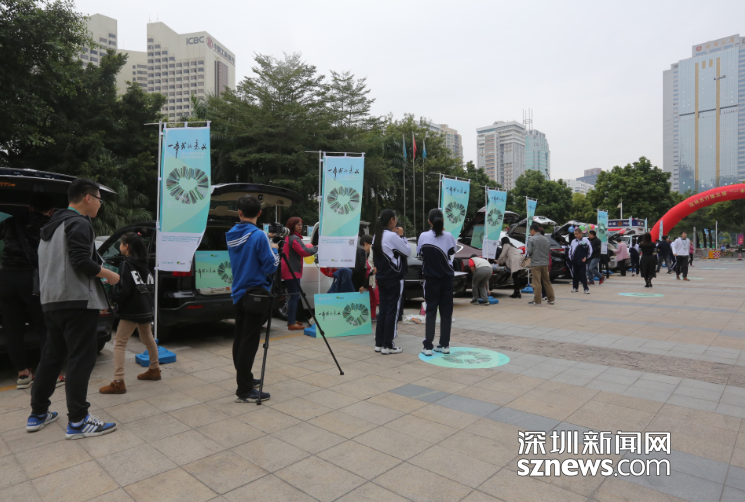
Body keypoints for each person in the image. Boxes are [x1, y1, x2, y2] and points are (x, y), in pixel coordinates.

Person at [27, 179, 120, 439]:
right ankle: (78, 421)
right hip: (77, 301)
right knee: (81, 359)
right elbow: (81, 261)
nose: (100, 205)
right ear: (88, 198)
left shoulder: (50, 227)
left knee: (52, 358)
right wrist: (110, 275)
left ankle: (38, 413)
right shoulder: (79, 223)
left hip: (52, 302)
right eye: (100, 199)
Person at [0, 194, 65, 390]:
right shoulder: (50, 225)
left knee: (12, 328)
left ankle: (22, 374)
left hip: (7, 279)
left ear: (29, 207)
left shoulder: (11, 222)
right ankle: (48, 373)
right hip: (34, 280)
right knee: (44, 326)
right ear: (51, 211)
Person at [226, 195, 278, 403]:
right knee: (249, 342)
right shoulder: (259, 236)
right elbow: (270, 266)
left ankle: (245, 378)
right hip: (256, 294)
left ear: (239, 212)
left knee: (240, 338)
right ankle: (244, 390)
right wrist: (276, 253)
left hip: (238, 292)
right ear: (259, 213)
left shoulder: (231, 234)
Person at [99, 233, 159, 394]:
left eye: (121, 244)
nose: (119, 246)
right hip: (145, 307)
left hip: (132, 309)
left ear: (126, 247)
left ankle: (118, 381)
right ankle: (155, 369)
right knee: (148, 339)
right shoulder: (144, 263)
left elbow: (125, 290)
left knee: (119, 343)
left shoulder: (126, 263)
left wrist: (113, 302)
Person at [417, 208, 456, 356]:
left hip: (431, 280)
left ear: (429, 221)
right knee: (446, 313)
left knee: (431, 312)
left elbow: (420, 253)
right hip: (446, 279)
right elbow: (452, 252)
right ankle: (444, 345)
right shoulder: (449, 236)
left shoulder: (423, 236)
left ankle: (428, 347)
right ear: (443, 220)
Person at [372, 209, 411, 354]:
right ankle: (388, 345)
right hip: (394, 278)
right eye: (396, 219)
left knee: (383, 311)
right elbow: (407, 251)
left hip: (382, 278)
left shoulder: (376, 236)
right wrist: (401, 236)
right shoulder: (392, 236)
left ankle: (379, 343)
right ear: (392, 220)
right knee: (392, 312)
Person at [281, 217, 317, 331]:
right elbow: (304, 251)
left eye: (301, 224)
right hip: (292, 271)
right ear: (292, 225)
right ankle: (291, 323)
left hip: (289, 270)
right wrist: (316, 248)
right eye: (298, 224)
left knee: (293, 296)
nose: (301, 226)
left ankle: (291, 319)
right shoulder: (294, 238)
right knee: (295, 296)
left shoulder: (289, 237)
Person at [525, 223, 555, 305]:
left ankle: (537, 301)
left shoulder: (531, 239)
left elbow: (529, 251)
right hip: (545, 263)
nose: (530, 233)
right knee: (547, 281)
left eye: (530, 231)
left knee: (536, 282)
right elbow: (548, 250)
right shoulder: (546, 239)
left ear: (533, 230)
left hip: (536, 263)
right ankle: (551, 299)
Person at [359, 234, 378, 320]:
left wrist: (364, 285)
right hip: (372, 281)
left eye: (363, 246)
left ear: (366, 244)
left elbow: (372, 271)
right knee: (373, 299)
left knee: (378, 299)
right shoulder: (371, 253)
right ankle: (373, 316)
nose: (363, 248)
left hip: (375, 281)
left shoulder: (373, 253)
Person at [569, 227, 591, 294]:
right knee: (575, 275)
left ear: (581, 233)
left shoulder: (586, 241)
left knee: (583, 275)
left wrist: (586, 257)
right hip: (575, 261)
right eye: (575, 234)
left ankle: (586, 289)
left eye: (577, 234)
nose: (575, 235)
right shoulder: (573, 241)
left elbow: (590, 250)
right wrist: (571, 258)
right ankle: (575, 288)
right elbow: (570, 251)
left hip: (582, 261)